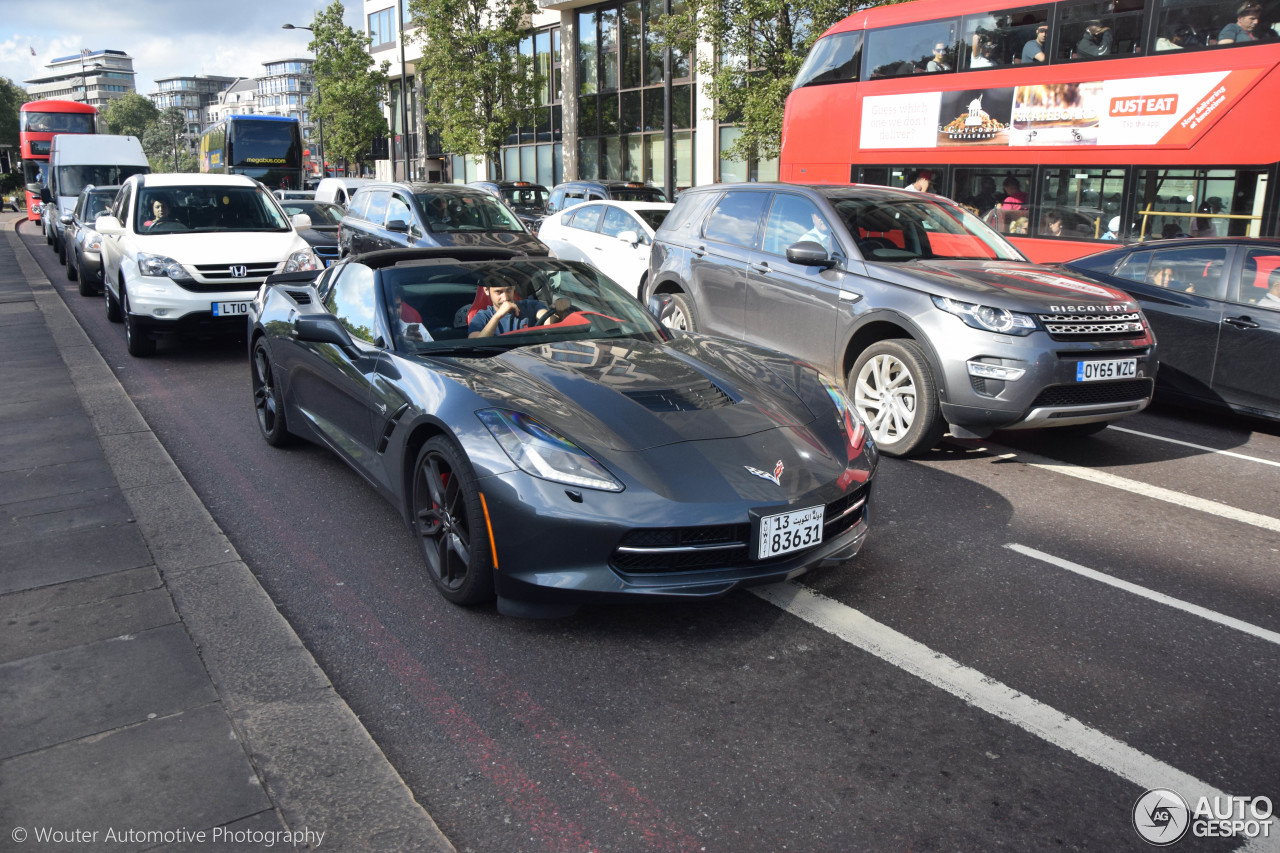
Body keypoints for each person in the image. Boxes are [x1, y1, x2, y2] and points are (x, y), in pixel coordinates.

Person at [468, 272, 550, 338]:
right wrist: (497, 316)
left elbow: (549, 322)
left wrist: (560, 312)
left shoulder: (532, 306)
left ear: (514, 288)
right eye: (498, 292)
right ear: (486, 290)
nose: (505, 298)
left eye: (508, 290)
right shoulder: (482, 317)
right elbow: (475, 343)